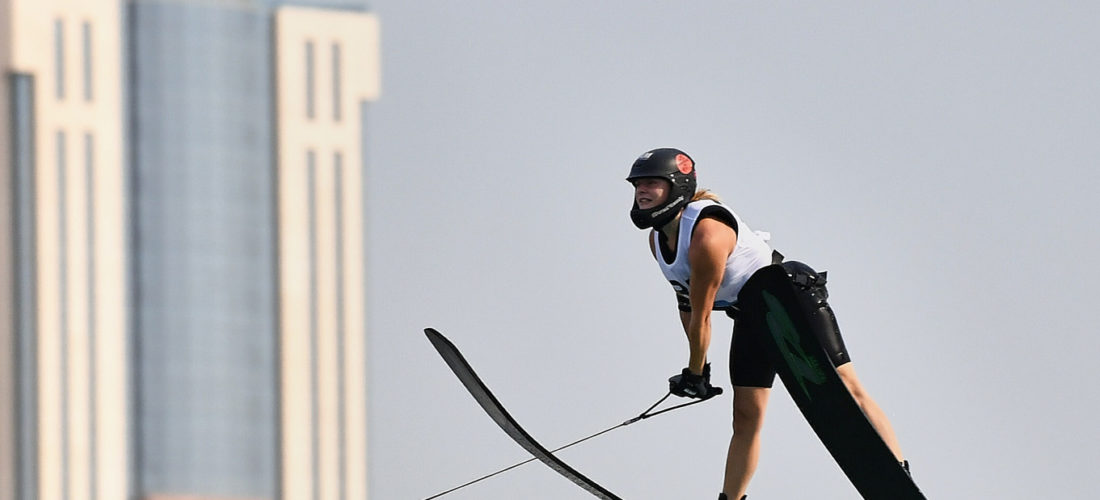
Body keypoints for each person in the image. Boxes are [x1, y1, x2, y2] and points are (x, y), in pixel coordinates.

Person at [626, 148, 908, 500]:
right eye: (637, 185)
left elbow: (701, 314)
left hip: (789, 299)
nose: (642, 191)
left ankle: (899, 474)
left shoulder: (707, 234)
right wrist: (697, 371)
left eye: (652, 183)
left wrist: (695, 371)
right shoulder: (658, 241)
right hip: (751, 316)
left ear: (677, 186)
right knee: (745, 416)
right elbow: (686, 306)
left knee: (846, 387)